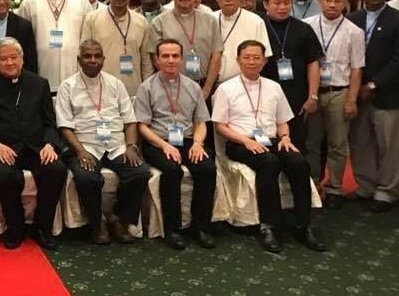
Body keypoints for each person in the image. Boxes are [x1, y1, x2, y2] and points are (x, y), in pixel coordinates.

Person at [212, 40, 325, 253]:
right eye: (247, 57)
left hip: (272, 140)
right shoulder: (226, 89)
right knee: (269, 163)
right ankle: (269, 226)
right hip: (240, 142)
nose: (252, 62)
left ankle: (304, 224)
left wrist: (285, 138)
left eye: (257, 58)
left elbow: (282, 121)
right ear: (238, 60)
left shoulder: (274, 87)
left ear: (264, 61)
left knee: (299, 163)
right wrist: (246, 141)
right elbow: (220, 126)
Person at [0, 37, 66, 250]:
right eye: (3, 59)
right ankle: (14, 227)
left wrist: (49, 144)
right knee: (6, 176)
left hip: (36, 148)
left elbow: (50, 123)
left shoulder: (39, 84)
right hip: (2, 149)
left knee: (56, 169)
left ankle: (42, 228)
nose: (9, 63)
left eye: (13, 57)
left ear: (22, 59)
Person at [56, 39, 149, 244]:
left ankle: (119, 219)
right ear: (79, 59)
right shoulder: (67, 86)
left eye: (97, 56)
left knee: (140, 172)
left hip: (116, 145)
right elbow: (64, 127)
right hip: (85, 145)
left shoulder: (116, 84)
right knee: (86, 177)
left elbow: (130, 120)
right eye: (87, 56)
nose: (93, 60)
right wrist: (80, 152)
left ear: (103, 59)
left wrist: (131, 146)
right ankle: (97, 223)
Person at [135, 39, 216, 250]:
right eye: (165, 56)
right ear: (157, 59)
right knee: (172, 171)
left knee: (207, 168)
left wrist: (198, 143)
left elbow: (201, 122)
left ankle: (201, 227)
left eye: (175, 56)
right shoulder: (146, 87)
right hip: (157, 142)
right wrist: (164, 146)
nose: (170, 60)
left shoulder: (193, 87)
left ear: (181, 58)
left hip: (188, 141)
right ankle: (173, 229)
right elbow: (142, 126)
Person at [303, 0, 364, 208]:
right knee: (311, 142)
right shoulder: (307, 26)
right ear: (320, 1)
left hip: (338, 92)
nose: (332, 5)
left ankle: (334, 188)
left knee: (337, 144)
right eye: (328, 0)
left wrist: (352, 99)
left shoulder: (354, 31)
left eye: (337, 1)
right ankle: (311, 185)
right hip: (312, 92)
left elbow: (357, 68)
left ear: (345, 3)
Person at [348, 0, 399, 212]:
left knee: (389, 145)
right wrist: (355, 88)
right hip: (356, 93)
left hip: (387, 93)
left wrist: (373, 84)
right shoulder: (353, 18)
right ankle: (366, 186)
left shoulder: (396, 19)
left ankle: (387, 191)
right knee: (360, 141)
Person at [258, 0, 322, 148]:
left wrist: (313, 96)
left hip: (296, 95)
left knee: (296, 141)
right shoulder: (258, 26)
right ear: (265, 4)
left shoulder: (303, 28)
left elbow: (313, 63)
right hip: (263, 93)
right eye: (277, 3)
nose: (282, 7)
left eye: (286, 3)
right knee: (266, 140)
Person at [16, 0, 92, 91]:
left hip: (75, 74)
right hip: (41, 73)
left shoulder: (81, 1)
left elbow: (88, 39)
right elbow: (22, 42)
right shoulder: (30, 3)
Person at [150, 0, 222, 101]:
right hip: (172, 88)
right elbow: (156, 58)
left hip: (204, 87)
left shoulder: (210, 20)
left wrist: (206, 90)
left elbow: (216, 55)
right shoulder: (159, 22)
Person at [81, 0, 154, 97]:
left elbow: (146, 61)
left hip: (133, 89)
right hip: (101, 88)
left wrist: (147, 89)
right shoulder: (92, 19)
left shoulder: (141, 22)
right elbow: (84, 55)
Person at [213, 0, 271, 83]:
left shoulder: (255, 21)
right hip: (211, 81)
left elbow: (264, 56)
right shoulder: (210, 18)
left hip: (243, 83)